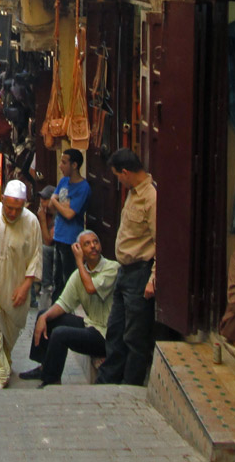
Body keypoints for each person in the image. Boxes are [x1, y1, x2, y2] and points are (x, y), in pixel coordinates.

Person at [19, 230, 118, 387]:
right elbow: (63, 303)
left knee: (60, 334)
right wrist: (44, 318)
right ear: (79, 248)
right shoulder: (79, 275)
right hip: (91, 325)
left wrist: (79, 262)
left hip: (106, 335)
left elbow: (91, 287)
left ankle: (52, 379)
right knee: (45, 316)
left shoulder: (112, 268)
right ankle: (44, 367)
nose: (93, 246)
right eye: (87, 244)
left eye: (95, 242)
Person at [0, 179, 43, 390]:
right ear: (2, 200)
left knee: (8, 334)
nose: (12, 213)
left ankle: (4, 361)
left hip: (16, 286)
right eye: (9, 208)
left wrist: (25, 286)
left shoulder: (31, 222)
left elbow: (36, 257)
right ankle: (1, 375)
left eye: (17, 209)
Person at [96, 148, 157, 386]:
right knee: (116, 329)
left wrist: (153, 277)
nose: (118, 181)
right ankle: (108, 380)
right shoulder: (133, 193)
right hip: (125, 272)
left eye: (118, 176)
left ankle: (130, 386)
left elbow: (158, 239)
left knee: (134, 335)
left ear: (125, 172)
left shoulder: (150, 198)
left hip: (139, 273)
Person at [47, 149, 91, 301]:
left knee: (68, 281)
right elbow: (51, 207)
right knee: (57, 280)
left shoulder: (83, 187)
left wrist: (55, 201)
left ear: (74, 165)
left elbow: (69, 214)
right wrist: (60, 204)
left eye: (64, 162)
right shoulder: (63, 182)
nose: (60, 166)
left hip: (71, 239)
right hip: (59, 235)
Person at [35, 185, 57, 308]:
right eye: (41, 200)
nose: (42, 203)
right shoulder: (48, 215)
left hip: (56, 252)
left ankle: (45, 285)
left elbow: (48, 241)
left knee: (45, 250)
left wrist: (42, 220)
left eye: (45, 200)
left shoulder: (56, 217)